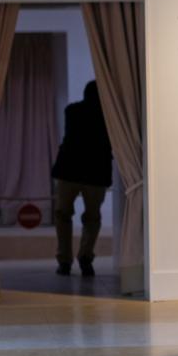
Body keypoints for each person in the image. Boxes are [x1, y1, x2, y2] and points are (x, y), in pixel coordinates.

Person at [51, 80, 112, 277]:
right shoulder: (109, 116)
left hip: (69, 170)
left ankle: (64, 261)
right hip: (96, 173)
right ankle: (85, 258)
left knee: (62, 215)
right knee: (92, 218)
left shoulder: (72, 111)